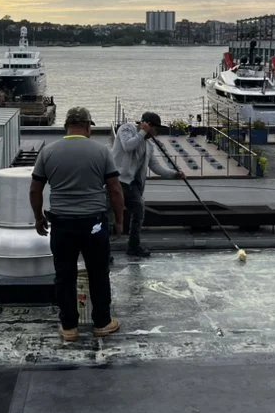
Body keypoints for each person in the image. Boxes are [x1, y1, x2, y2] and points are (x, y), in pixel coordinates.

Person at [30, 107, 125, 341]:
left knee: (64, 275)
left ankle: (69, 327)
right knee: (98, 273)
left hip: (61, 223)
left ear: (66, 126)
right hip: (94, 223)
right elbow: (115, 189)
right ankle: (102, 322)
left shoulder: (48, 152)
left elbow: (35, 189)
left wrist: (38, 217)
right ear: (88, 127)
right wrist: (119, 220)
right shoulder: (101, 151)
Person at [110, 111, 185, 258]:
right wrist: (143, 132)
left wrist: (174, 174)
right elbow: (127, 146)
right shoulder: (126, 129)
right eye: (155, 129)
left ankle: (133, 246)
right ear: (147, 125)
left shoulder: (149, 146)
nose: (156, 133)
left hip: (132, 185)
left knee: (138, 211)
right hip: (115, 181)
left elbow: (156, 167)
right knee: (108, 216)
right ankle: (103, 251)